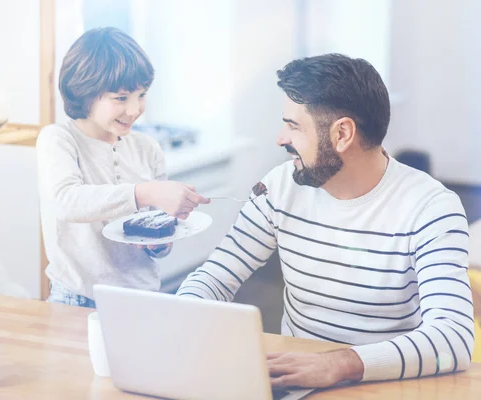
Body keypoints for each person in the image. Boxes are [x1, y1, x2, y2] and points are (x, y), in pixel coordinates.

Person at [177, 53, 474, 388]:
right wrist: (182, 319)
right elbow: (216, 276)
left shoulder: (431, 208)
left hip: (385, 384)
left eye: (293, 126)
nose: (280, 139)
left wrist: (343, 363)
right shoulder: (279, 186)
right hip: (296, 382)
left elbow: (454, 339)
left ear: (342, 134)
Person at [37, 27, 209, 308]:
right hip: (76, 298)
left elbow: (157, 228)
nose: (135, 109)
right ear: (85, 92)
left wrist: (159, 243)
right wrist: (145, 192)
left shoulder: (147, 147)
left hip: (143, 297)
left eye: (141, 95)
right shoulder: (59, 139)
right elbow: (66, 203)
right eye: (121, 98)